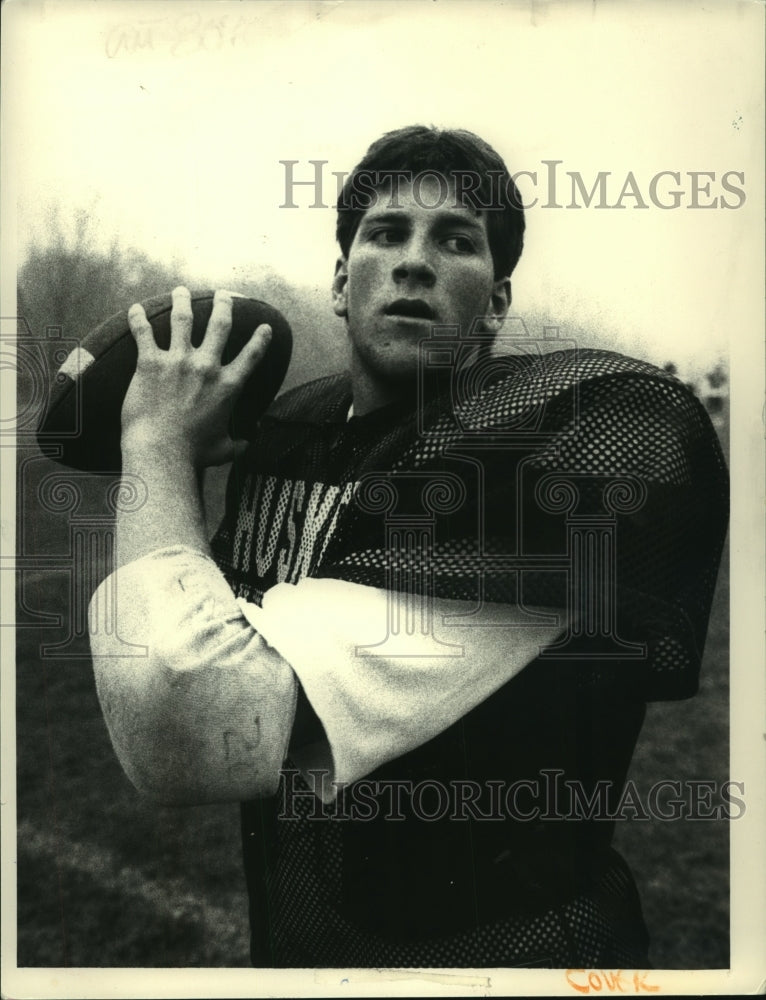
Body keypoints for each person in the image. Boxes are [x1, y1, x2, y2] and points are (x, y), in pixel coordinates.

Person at [88, 125, 728, 968]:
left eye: (456, 242)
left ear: (497, 301)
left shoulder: (547, 448)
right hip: (305, 940)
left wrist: (158, 450)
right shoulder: (295, 434)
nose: (414, 260)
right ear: (340, 281)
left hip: (513, 961)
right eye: (385, 233)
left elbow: (192, 725)